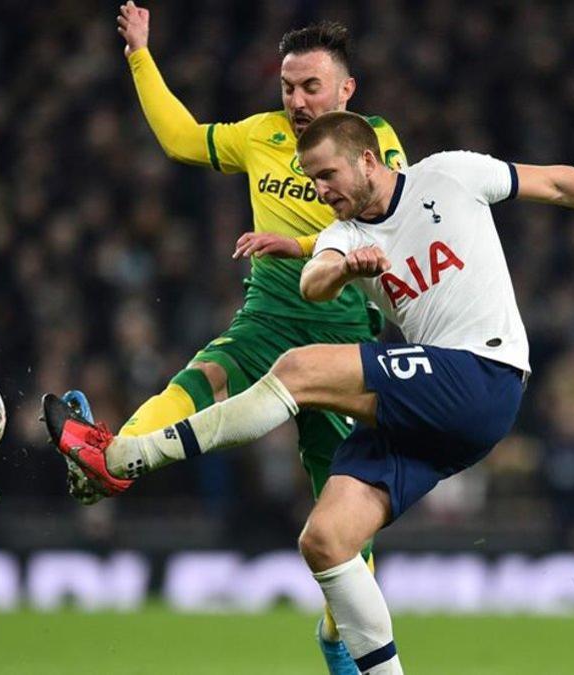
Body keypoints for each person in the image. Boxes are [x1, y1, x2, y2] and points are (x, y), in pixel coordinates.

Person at [46, 111, 574, 674]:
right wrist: (344, 267)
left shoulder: (450, 174)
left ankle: (128, 458)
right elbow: (316, 281)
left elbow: (554, 182)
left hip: (481, 373)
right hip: (439, 408)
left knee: (299, 367)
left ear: (368, 159)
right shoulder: (341, 235)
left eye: (328, 176)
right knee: (327, 539)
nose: (321, 191)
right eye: (311, 181)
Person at [88, 6, 407, 672]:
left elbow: (383, 224)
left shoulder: (375, 143)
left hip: (346, 344)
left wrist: (292, 242)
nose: (295, 101)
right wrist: (141, 53)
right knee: (200, 381)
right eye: (288, 87)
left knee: (344, 517)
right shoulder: (260, 134)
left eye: (310, 87)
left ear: (346, 91)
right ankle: (110, 457)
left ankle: (338, 633)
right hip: (266, 323)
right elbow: (181, 138)